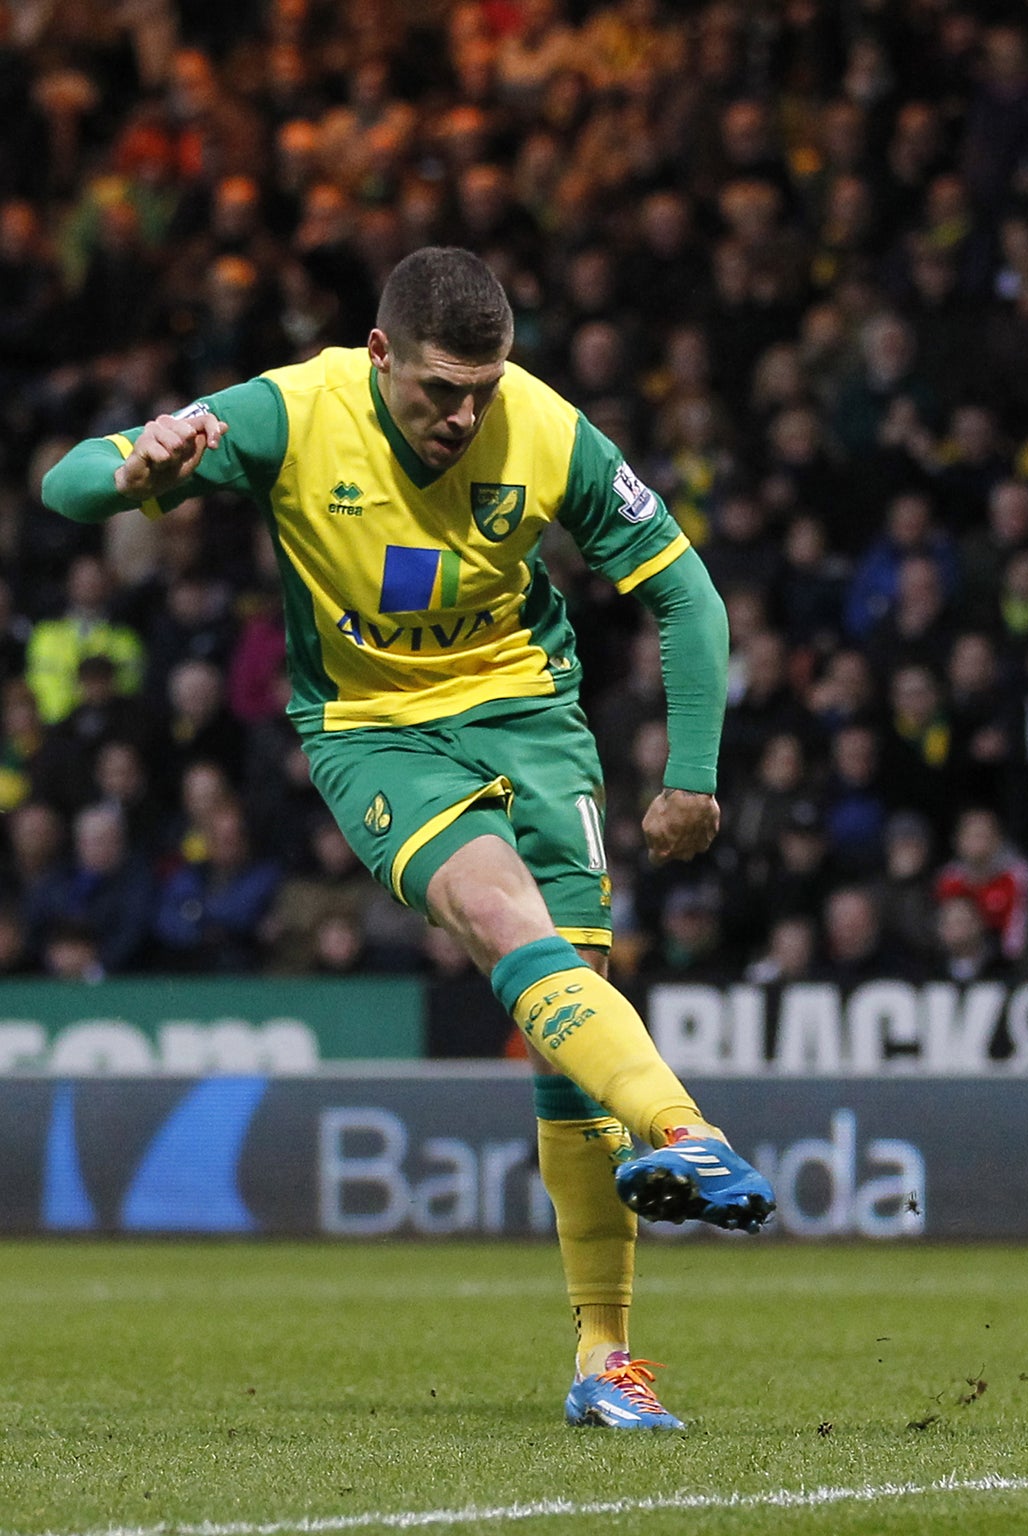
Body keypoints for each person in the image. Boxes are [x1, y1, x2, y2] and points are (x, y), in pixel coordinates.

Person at [40, 247, 774, 1432]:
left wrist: (693, 775)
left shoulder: (544, 429)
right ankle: (687, 1130)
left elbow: (689, 595)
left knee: (565, 1025)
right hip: (375, 732)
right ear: (378, 355)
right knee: (499, 921)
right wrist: (136, 466)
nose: (463, 414)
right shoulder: (286, 412)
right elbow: (61, 488)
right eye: (439, 388)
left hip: (532, 722)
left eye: (483, 387)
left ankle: (604, 1359)